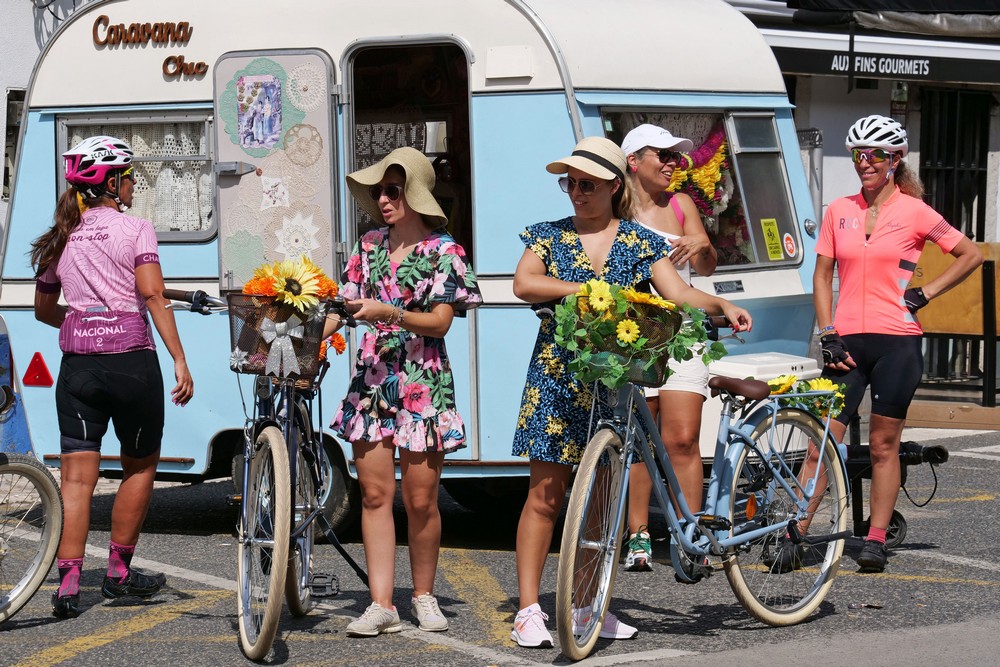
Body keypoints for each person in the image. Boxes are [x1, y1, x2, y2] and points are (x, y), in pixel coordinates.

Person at [510, 136, 751, 648]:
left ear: (613, 186)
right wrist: (587, 291)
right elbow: (525, 283)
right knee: (545, 495)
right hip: (558, 376)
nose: (575, 192)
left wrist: (722, 307)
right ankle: (528, 609)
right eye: (569, 182)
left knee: (602, 503)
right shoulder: (548, 237)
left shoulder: (639, 242)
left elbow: (680, 292)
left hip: (617, 380)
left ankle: (587, 604)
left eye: (586, 184)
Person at [808, 115, 983, 573]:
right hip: (844, 340)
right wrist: (827, 333)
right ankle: (797, 530)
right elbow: (823, 275)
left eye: (876, 155)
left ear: (895, 159)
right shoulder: (837, 210)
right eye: (858, 154)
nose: (865, 162)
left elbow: (971, 255)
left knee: (886, 444)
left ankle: (877, 539)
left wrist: (927, 293)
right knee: (822, 440)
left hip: (897, 342)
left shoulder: (916, 211)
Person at [31, 135, 194, 619]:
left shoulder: (61, 234)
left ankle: (69, 584)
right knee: (140, 467)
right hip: (132, 363)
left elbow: (44, 310)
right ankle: (119, 573)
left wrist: (84, 321)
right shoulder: (136, 228)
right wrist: (180, 360)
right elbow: (152, 295)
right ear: (110, 182)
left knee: (77, 480)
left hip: (78, 366)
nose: (132, 186)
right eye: (128, 177)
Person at [327, 147, 482, 637]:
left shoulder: (444, 251)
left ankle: (423, 594)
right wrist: (311, 336)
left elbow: (440, 323)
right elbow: (342, 305)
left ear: (415, 194)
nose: (382, 199)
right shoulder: (368, 245)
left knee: (421, 500)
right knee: (374, 495)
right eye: (378, 192)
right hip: (372, 381)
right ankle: (381, 604)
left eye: (392, 190)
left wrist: (387, 313)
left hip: (422, 382)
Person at [620, 124, 719, 572]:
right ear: (632, 161)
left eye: (675, 155)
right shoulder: (615, 208)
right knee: (640, 438)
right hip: (632, 332)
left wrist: (703, 244)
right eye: (661, 154)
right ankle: (637, 534)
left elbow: (705, 263)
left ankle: (689, 532)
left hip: (682, 330)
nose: (672, 162)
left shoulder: (681, 205)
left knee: (681, 438)